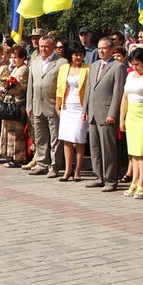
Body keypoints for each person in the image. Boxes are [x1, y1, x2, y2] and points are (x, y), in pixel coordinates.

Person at [84, 37, 127, 191]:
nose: (101, 51)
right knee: (95, 147)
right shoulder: (93, 66)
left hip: (107, 112)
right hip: (93, 112)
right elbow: (89, 89)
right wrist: (85, 110)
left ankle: (111, 179)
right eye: (99, 48)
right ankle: (99, 176)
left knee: (108, 148)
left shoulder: (118, 67)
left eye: (104, 48)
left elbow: (118, 91)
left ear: (111, 49)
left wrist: (113, 113)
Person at [26, 36, 68, 177]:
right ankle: (42, 163)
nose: (43, 49)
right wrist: (29, 104)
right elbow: (31, 86)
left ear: (53, 47)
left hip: (53, 106)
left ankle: (55, 165)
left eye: (46, 46)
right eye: (41, 46)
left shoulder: (61, 63)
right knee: (40, 137)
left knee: (55, 138)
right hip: (37, 105)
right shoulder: (35, 62)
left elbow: (63, 86)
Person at [120, 48, 143, 199]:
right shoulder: (130, 75)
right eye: (133, 64)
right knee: (133, 152)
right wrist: (122, 119)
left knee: (142, 151)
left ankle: (142, 182)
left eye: (138, 64)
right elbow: (125, 98)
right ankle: (134, 181)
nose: (136, 67)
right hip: (132, 115)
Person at [55, 42, 89, 181]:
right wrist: (58, 105)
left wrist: (86, 109)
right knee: (67, 139)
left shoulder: (88, 68)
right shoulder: (64, 68)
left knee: (80, 140)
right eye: (75, 54)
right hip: (67, 106)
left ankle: (78, 171)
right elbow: (59, 87)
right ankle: (68, 169)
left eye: (80, 54)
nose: (78, 57)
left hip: (80, 107)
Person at [0, 46, 29, 168]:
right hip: (9, 102)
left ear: (23, 58)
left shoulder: (23, 69)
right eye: (12, 57)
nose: (13, 60)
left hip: (17, 103)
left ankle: (18, 157)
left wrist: (7, 89)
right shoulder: (14, 68)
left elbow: (21, 87)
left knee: (16, 132)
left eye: (16, 57)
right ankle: (9, 155)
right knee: (8, 130)